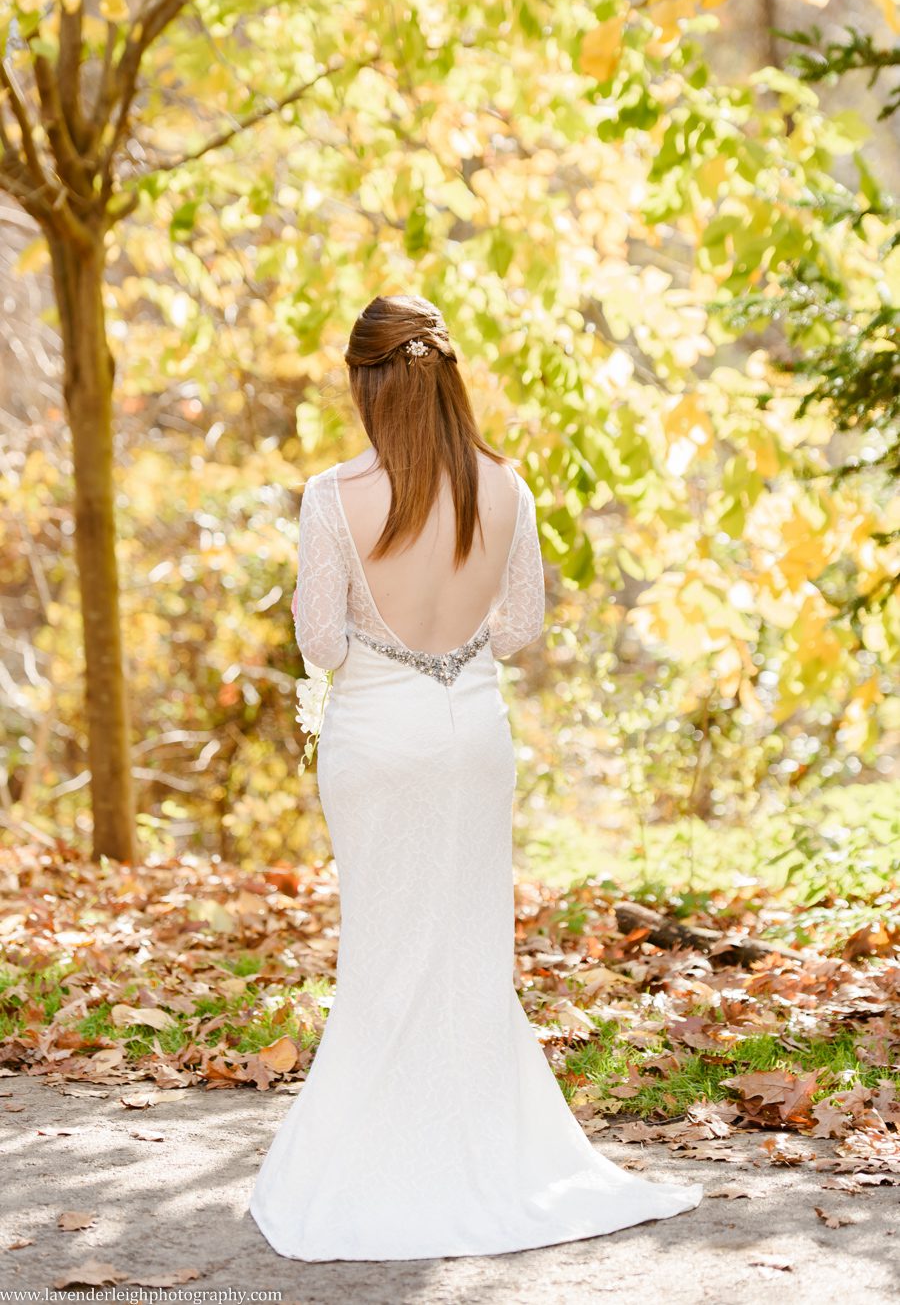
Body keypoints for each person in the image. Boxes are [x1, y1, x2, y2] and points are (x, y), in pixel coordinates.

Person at [249, 294, 702, 1261]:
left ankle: (382, 1160)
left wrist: (393, 655)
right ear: (446, 377)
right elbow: (523, 627)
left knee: (382, 948)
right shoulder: (508, 487)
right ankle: (475, 1152)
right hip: (474, 740)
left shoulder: (333, 496)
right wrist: (456, 660)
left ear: (367, 385)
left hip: (377, 743)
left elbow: (322, 644)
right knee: (464, 948)